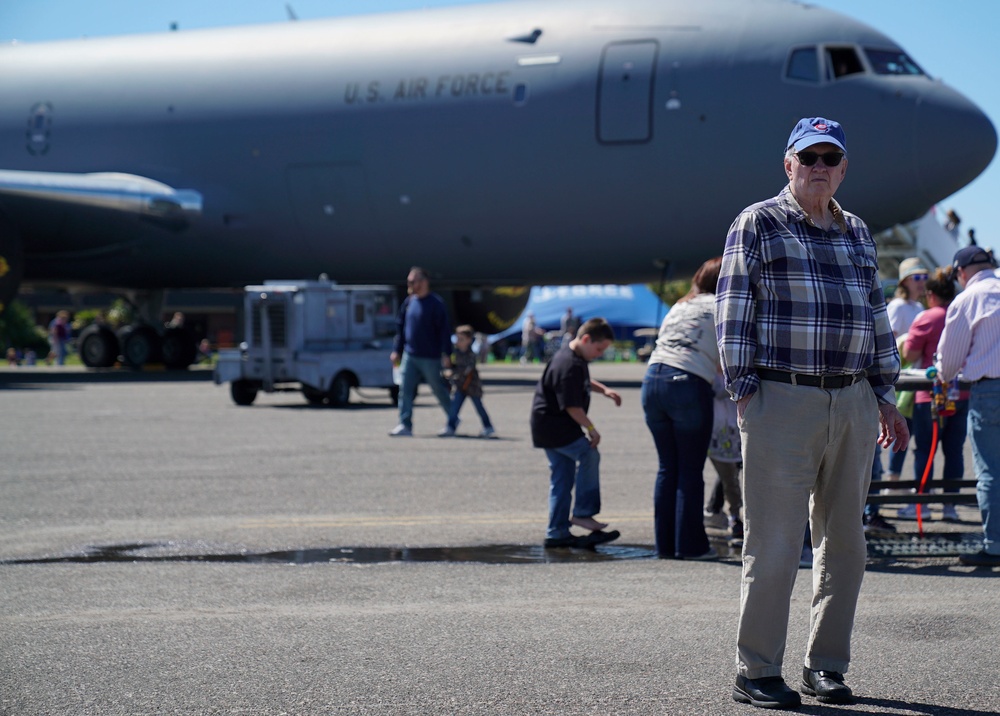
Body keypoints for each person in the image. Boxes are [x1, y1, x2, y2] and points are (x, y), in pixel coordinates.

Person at [716, 117, 908, 709]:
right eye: (809, 157)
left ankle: (824, 666)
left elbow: (875, 315)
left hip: (852, 399)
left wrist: (885, 393)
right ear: (788, 164)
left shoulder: (856, 231)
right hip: (782, 397)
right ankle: (757, 670)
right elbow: (733, 307)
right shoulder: (758, 221)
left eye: (831, 158)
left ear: (843, 168)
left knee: (846, 545)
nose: (820, 166)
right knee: (774, 544)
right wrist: (746, 389)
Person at [641, 256, 723, 560]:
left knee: (667, 468)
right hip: (687, 383)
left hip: (653, 382)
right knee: (690, 469)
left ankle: (665, 545)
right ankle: (691, 546)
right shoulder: (721, 306)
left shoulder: (680, 305)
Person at [531, 317, 622, 549]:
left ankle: (557, 532)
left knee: (562, 479)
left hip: (547, 427)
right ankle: (583, 512)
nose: (599, 354)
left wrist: (604, 390)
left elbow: (582, 381)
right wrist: (592, 430)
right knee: (589, 454)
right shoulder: (569, 364)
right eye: (599, 349)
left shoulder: (575, 358)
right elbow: (572, 406)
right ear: (586, 339)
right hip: (555, 427)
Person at [936, 246, 1000, 567]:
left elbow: (949, 363)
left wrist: (945, 375)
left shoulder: (967, 299)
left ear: (961, 272)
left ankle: (995, 544)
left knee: (991, 471)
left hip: (989, 391)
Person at [899, 268, 968, 522]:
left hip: (930, 396)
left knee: (925, 451)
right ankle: (951, 506)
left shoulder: (927, 317)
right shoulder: (962, 314)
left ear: (931, 295)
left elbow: (910, 355)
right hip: (961, 393)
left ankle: (923, 505)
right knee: (955, 451)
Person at [389, 267, 453, 437]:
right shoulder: (409, 302)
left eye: (413, 281)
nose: (409, 284)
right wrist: (397, 350)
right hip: (410, 354)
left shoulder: (436, 304)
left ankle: (453, 419)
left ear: (424, 282)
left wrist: (447, 353)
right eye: (409, 281)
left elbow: (444, 331)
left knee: (438, 389)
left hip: (430, 356)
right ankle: (405, 424)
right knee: (405, 389)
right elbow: (401, 328)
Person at [881, 257, 927, 485]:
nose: (922, 282)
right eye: (917, 277)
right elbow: (888, 341)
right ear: (904, 281)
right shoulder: (897, 307)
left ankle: (894, 481)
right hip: (901, 381)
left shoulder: (919, 307)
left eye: (925, 277)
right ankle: (892, 481)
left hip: (916, 380)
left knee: (911, 433)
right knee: (898, 431)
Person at [441, 325, 495, 438]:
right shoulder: (455, 353)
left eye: (461, 339)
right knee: (454, 408)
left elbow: (467, 369)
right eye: (457, 339)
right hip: (460, 386)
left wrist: (453, 373)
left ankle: (488, 427)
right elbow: (452, 365)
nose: (458, 342)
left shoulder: (471, 354)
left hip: (472, 386)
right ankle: (450, 427)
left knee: (479, 408)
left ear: (469, 340)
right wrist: (448, 367)